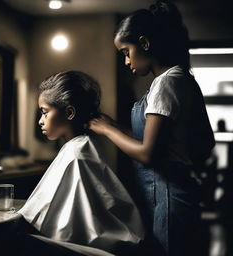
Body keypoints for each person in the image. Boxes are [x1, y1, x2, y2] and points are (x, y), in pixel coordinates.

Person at [89, 1, 215, 255]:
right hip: (170, 194)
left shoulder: (166, 83)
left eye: (126, 51)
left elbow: (147, 152)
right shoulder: (180, 78)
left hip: (169, 197)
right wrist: (114, 125)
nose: (126, 61)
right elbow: (161, 141)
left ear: (145, 43)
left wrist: (108, 131)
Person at [18, 70, 145, 255]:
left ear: (69, 112)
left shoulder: (78, 154)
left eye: (45, 113)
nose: (40, 121)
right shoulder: (76, 147)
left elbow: (76, 230)